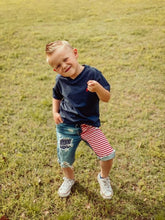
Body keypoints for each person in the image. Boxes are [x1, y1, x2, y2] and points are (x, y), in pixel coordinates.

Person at [45, 40, 115, 199]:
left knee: (107, 154)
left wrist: (97, 88)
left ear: (75, 53)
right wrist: (55, 112)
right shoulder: (60, 80)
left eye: (65, 59)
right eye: (57, 66)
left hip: (89, 126)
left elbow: (107, 97)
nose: (62, 66)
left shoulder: (93, 74)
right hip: (66, 127)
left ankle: (103, 178)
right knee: (64, 159)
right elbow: (56, 96)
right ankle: (68, 179)